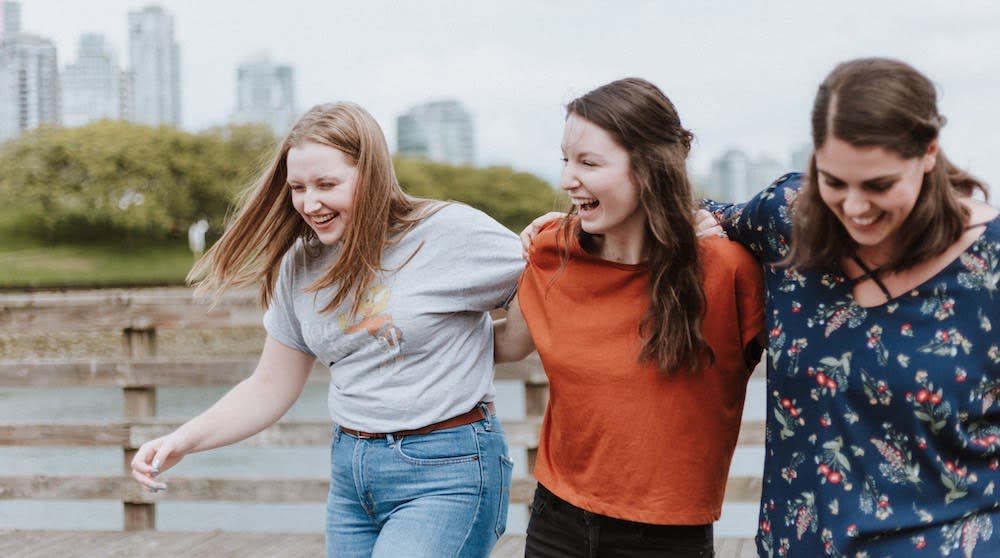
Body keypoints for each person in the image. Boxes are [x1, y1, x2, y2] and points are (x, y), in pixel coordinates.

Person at [129, 102, 524, 558]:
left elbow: (548, 282)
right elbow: (269, 386)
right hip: (353, 477)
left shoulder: (448, 233)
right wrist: (182, 440)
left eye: (327, 185)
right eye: (297, 187)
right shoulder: (300, 264)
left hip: (447, 469)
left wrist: (499, 343)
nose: (309, 203)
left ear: (371, 175)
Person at [698, 58, 1000, 556]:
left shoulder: (990, 265)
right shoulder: (787, 217)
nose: (855, 207)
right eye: (834, 182)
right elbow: (696, 220)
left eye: (879, 185)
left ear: (928, 153)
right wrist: (565, 235)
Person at [494, 77, 766, 557]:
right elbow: (507, 345)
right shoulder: (551, 251)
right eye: (565, 159)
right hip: (556, 522)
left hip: (666, 538)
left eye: (588, 163)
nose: (566, 180)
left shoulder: (728, 270)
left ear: (648, 170)